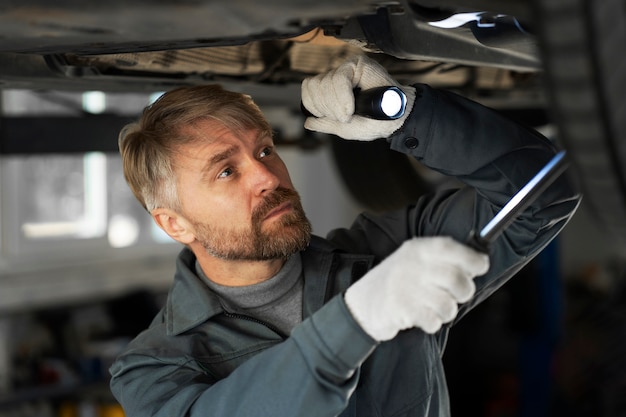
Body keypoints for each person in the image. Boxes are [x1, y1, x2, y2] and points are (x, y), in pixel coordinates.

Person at [109, 55, 580, 417]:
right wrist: (357, 320)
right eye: (227, 170)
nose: (267, 176)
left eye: (265, 149)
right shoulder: (153, 368)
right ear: (175, 223)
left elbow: (547, 188)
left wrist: (409, 117)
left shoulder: (381, 255)